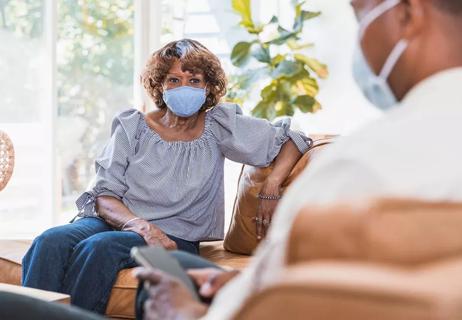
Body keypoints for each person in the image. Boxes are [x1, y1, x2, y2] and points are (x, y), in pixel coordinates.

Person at [133, 0, 462, 319]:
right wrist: (243, 284)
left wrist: (179, 313)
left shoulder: (360, 166)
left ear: (407, 13)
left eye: (359, 14)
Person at [21, 39, 310, 314]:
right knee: (50, 241)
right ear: (160, 85)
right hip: (118, 221)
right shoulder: (132, 125)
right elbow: (104, 195)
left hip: (175, 236)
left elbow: (293, 138)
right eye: (174, 80)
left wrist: (272, 185)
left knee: (100, 247)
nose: (184, 87)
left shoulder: (220, 126)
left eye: (194, 81)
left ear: (208, 87)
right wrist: (140, 225)